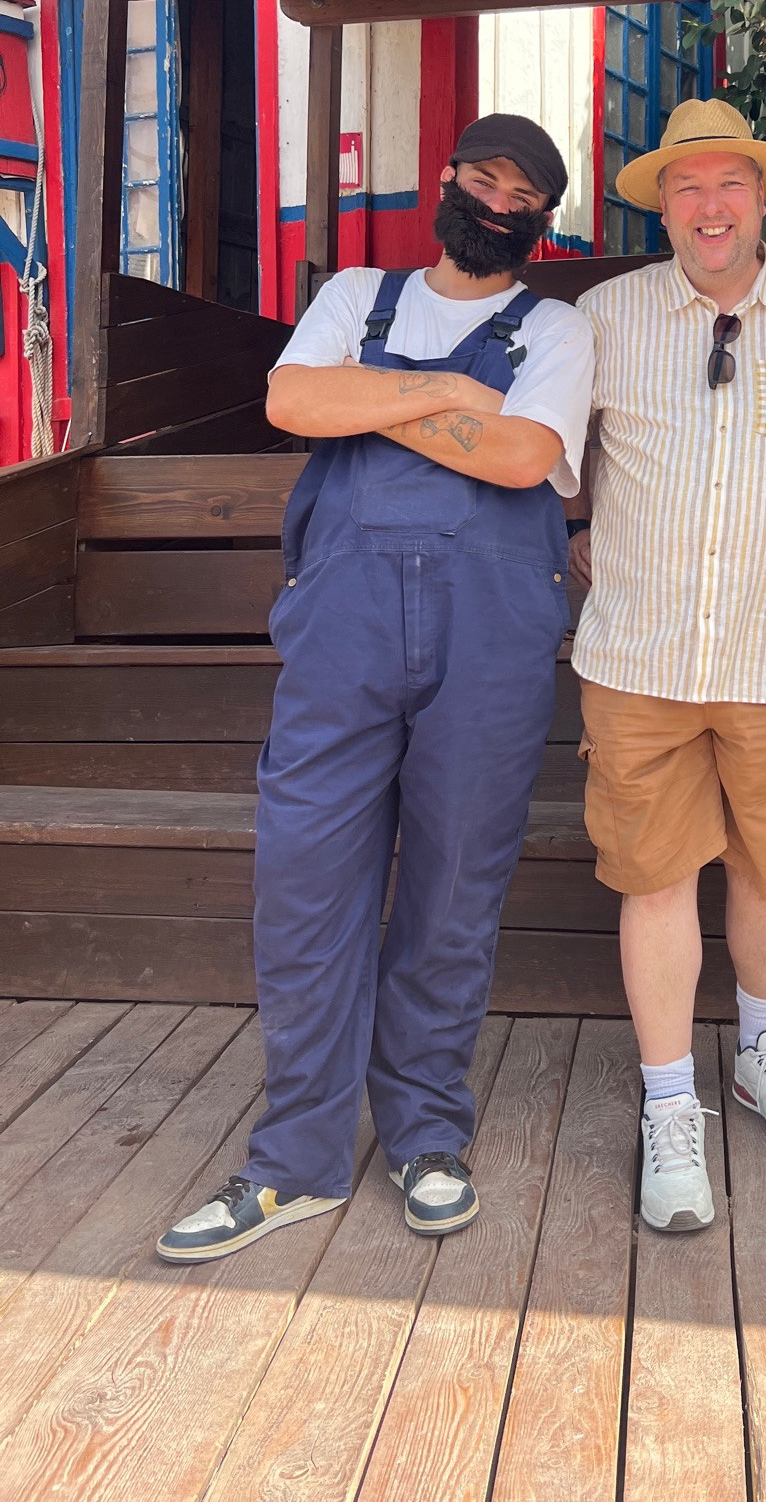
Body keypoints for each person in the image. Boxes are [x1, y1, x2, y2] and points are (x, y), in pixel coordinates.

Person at [157, 114, 594, 1262]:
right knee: (304, 884)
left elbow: (521, 457)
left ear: (542, 220)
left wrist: (381, 399)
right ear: (446, 184)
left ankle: (425, 1135)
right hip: (342, 632)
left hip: (490, 638)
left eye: (524, 193)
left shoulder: (559, 324)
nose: (499, 202)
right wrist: (451, 390)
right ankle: (294, 1158)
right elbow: (292, 404)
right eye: (484, 178)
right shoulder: (357, 291)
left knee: (453, 889)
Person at [568, 97, 766, 1234]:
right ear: (663, 205)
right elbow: (547, 447)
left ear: (762, 198)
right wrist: (571, 531)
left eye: (730, 185)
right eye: (686, 187)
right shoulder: (602, 317)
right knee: (655, 876)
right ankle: (670, 1106)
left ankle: (763, 1051)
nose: (710, 206)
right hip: (637, 655)